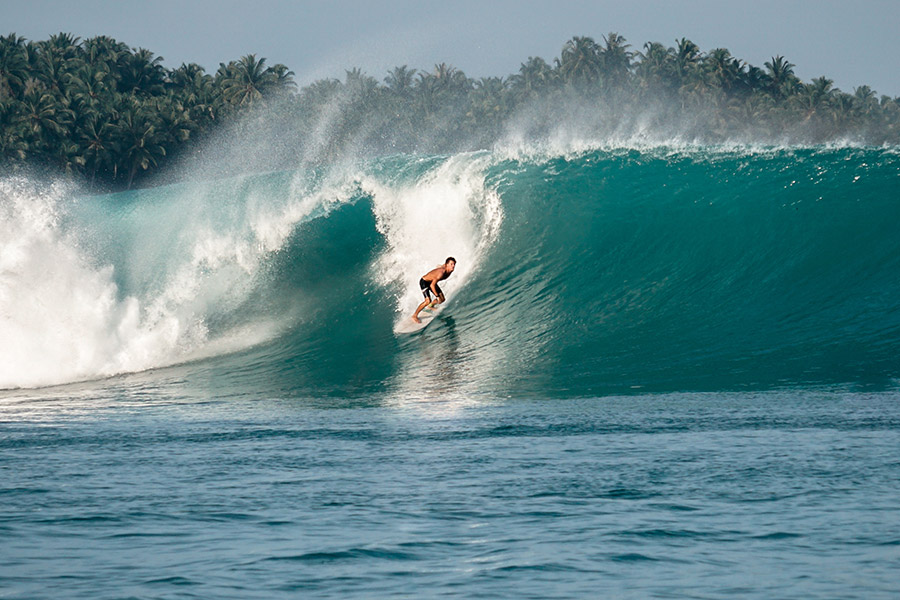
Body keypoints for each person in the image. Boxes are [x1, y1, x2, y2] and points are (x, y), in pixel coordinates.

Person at [412, 257, 456, 323]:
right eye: (451, 264)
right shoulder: (441, 273)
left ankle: (431, 305)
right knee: (427, 301)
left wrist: (439, 266)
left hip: (432, 282)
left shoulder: (448, 269)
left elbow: (442, 265)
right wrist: (437, 296)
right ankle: (414, 315)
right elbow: (432, 286)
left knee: (442, 300)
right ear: (447, 264)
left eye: (454, 264)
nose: (453, 266)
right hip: (424, 282)